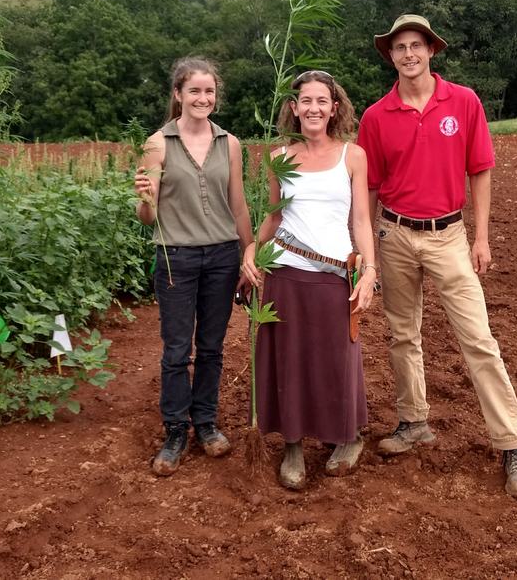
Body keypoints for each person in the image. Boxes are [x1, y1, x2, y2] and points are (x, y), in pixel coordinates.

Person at [357, 15, 517, 498]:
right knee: (401, 335)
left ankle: (511, 444)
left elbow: (480, 169)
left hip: (449, 235)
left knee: (478, 339)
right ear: (390, 56)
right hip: (394, 234)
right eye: (399, 47)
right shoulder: (376, 117)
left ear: (431, 51)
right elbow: (368, 188)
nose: (409, 54)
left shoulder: (463, 101)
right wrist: (367, 254)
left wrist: (482, 237)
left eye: (417, 45)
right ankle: (413, 421)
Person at [242, 70, 377, 490]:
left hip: (334, 274)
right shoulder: (280, 156)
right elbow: (275, 215)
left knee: (337, 359)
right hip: (285, 273)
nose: (313, 108)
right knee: (289, 361)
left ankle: (348, 436)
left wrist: (370, 271)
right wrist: (250, 249)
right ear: (294, 108)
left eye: (322, 101)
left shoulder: (353, 156)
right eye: (306, 101)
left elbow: (360, 220)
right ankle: (294, 446)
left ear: (334, 108)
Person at [134, 57, 257, 476]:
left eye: (209, 91)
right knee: (174, 350)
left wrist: (249, 254)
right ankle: (175, 430)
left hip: (223, 256)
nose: (203, 98)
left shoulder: (230, 143)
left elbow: (238, 205)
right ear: (178, 95)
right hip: (177, 257)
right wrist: (146, 196)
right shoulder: (158, 143)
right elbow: (147, 217)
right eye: (194, 91)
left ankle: (205, 422)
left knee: (211, 348)